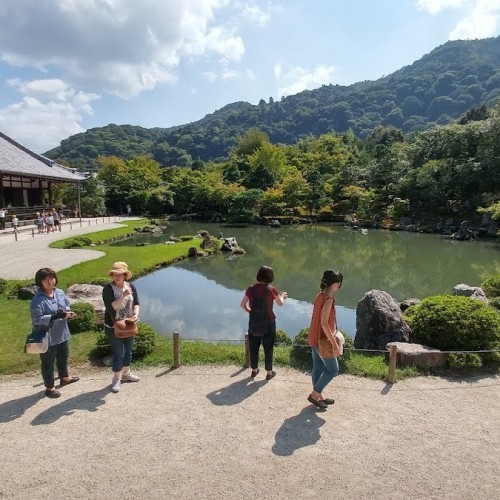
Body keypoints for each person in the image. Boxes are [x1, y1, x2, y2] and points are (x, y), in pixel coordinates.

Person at [30, 268, 79, 398]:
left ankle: (64, 378)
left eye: (52, 278)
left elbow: (66, 305)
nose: (50, 281)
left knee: (63, 357)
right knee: (48, 363)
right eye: (45, 279)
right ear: (40, 282)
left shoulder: (60, 292)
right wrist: (55, 316)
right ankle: (49, 387)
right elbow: (37, 319)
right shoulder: (37, 300)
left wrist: (68, 313)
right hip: (47, 336)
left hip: (62, 333)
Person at [240, 265, 287, 380]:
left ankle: (254, 370)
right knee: (268, 347)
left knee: (253, 347)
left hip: (254, 322)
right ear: (270, 277)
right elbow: (280, 303)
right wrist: (282, 296)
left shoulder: (251, 289)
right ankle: (269, 373)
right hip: (268, 323)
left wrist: (250, 311)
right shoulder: (271, 289)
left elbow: (242, 305)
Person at [307, 269, 344, 410]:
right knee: (333, 369)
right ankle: (315, 394)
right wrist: (334, 344)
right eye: (339, 283)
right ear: (335, 284)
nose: (339, 286)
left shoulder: (320, 295)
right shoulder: (328, 300)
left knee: (318, 366)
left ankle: (319, 396)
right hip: (323, 340)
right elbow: (324, 323)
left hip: (314, 338)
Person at [102, 262, 140, 393]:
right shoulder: (108, 289)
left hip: (129, 323)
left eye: (120, 274)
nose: (117, 277)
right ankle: (116, 378)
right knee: (119, 353)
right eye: (115, 274)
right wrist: (123, 295)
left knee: (128, 351)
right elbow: (111, 306)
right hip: (113, 326)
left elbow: (136, 303)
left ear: (125, 275)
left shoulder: (131, 286)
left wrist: (136, 314)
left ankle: (126, 374)